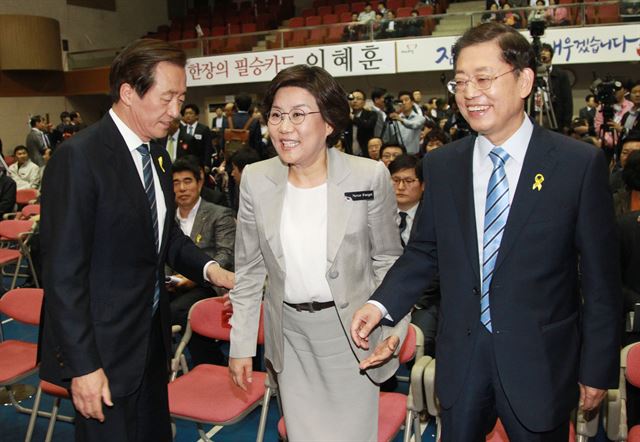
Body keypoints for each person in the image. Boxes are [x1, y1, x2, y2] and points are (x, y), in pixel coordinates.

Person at [351, 22, 621, 440]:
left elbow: (602, 281)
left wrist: (597, 366)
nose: (469, 92)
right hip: (462, 359)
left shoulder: (577, 164)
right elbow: (424, 252)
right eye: (459, 81)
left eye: (483, 78)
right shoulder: (442, 166)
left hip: (541, 363)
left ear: (525, 80)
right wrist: (381, 304)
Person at [38, 39, 234, 442]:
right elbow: (62, 276)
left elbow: (166, 239)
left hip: (149, 341)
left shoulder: (156, 154)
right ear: (128, 92)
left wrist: (214, 271)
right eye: (167, 99)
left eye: (181, 99)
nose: (176, 112)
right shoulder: (79, 158)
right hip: (102, 353)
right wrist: (83, 367)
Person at [227, 64, 408, 441]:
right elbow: (248, 271)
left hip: (354, 336)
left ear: (328, 123)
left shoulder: (368, 176)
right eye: (276, 115)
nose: (283, 127)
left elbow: (389, 261)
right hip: (290, 337)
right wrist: (241, 346)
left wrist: (394, 328)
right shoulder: (257, 181)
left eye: (297, 115)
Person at [169, 155, 235, 366]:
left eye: (187, 181)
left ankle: (209, 362)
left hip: (210, 284)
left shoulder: (219, 214)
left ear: (200, 182)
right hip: (174, 285)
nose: (182, 188)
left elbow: (225, 254)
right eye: (176, 183)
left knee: (181, 310)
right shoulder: (166, 218)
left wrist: (196, 276)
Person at [539, 43, 573, 133]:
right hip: (538, 114)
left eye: (546, 51)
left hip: (556, 116)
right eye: (541, 51)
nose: (543, 53)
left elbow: (567, 99)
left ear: (551, 54)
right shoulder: (533, 74)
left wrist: (567, 123)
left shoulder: (561, 74)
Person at [345, 89, 378, 156]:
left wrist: (353, 117)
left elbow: (368, 125)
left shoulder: (371, 114)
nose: (355, 101)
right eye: (352, 99)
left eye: (358, 99)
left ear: (364, 102)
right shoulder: (345, 116)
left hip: (366, 153)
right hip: (349, 154)